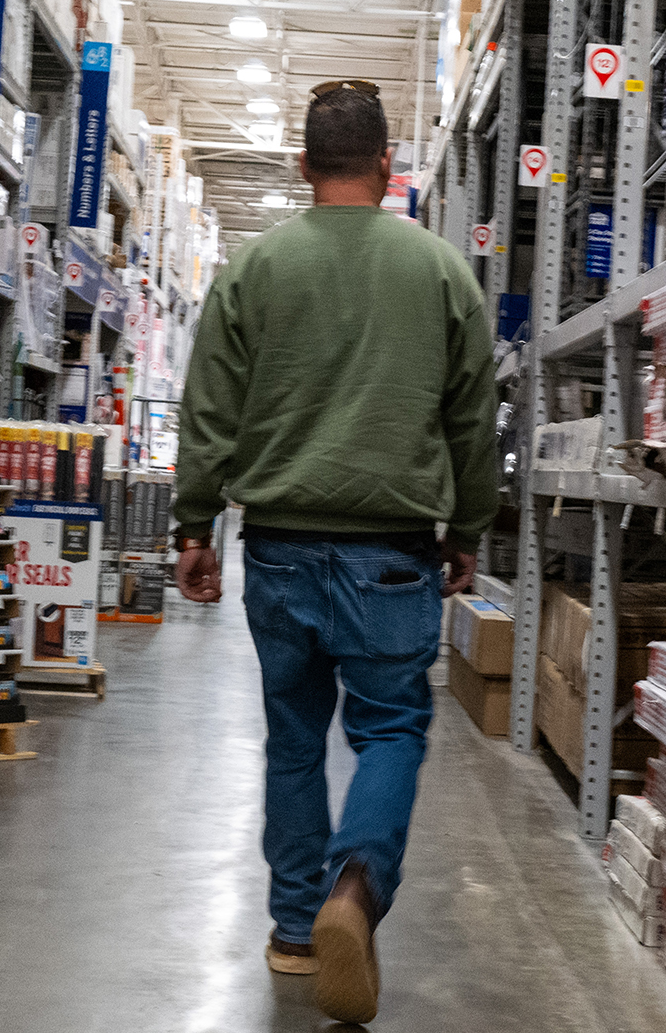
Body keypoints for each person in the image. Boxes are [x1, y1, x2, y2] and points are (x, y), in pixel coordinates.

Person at [171, 79, 499, 1025]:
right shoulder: (441, 272)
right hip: (393, 552)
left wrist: (197, 527)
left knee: (292, 737)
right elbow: (473, 423)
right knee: (391, 729)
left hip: (277, 548)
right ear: (389, 169)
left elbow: (209, 412)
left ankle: (289, 929)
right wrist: (466, 530)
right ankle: (354, 889)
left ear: (303, 165)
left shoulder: (254, 268)